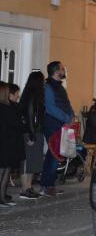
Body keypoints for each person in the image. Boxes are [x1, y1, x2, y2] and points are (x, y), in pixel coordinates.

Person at [40, 61, 74, 197]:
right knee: (54, 155)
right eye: (62, 68)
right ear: (56, 71)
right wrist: (66, 118)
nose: (64, 70)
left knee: (54, 155)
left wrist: (71, 115)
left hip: (62, 124)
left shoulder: (60, 87)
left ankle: (49, 184)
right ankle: (47, 185)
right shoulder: (48, 87)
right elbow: (50, 107)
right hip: (52, 124)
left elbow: (67, 103)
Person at [18, 71, 45, 200]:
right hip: (31, 131)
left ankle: (28, 187)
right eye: (42, 80)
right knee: (27, 160)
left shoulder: (32, 94)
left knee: (33, 161)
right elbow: (30, 114)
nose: (44, 83)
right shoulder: (33, 95)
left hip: (35, 130)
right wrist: (32, 133)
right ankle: (24, 189)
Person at [0, 82, 26, 207]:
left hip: (7, 143)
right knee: (3, 171)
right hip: (5, 143)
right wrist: (26, 126)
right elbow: (16, 124)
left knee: (6, 170)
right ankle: (1, 197)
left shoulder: (7, 106)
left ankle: (2, 197)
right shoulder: (5, 107)